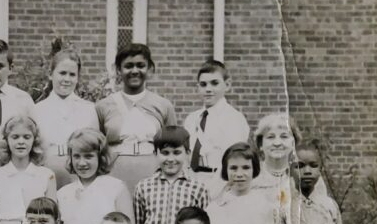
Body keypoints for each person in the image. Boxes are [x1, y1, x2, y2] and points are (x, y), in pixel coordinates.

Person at [95, 43, 176, 191]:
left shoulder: (163, 105)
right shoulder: (103, 106)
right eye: (128, 66)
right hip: (114, 174)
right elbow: (96, 148)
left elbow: (174, 147)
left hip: (153, 175)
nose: (134, 71)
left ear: (150, 69)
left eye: (140, 65)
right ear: (118, 69)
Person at [132, 126, 210, 224]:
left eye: (177, 152)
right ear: (155, 153)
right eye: (165, 153)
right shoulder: (143, 186)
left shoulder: (198, 188)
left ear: (187, 154)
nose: (170, 159)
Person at [57, 128, 134, 224]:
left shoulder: (116, 187)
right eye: (77, 156)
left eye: (88, 156)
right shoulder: (63, 193)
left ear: (101, 157)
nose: (82, 163)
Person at [32, 49, 100, 188]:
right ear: (51, 74)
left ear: (78, 78)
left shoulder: (89, 109)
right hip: (46, 172)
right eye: (62, 73)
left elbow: (95, 148)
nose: (67, 79)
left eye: (72, 74)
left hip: (79, 173)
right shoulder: (37, 110)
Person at [183, 60, 250, 197]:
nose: (208, 89)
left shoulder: (233, 118)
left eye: (214, 83)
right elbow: (186, 154)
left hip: (219, 183)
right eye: (203, 84)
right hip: (191, 181)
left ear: (227, 85)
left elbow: (234, 159)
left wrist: (217, 190)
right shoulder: (192, 119)